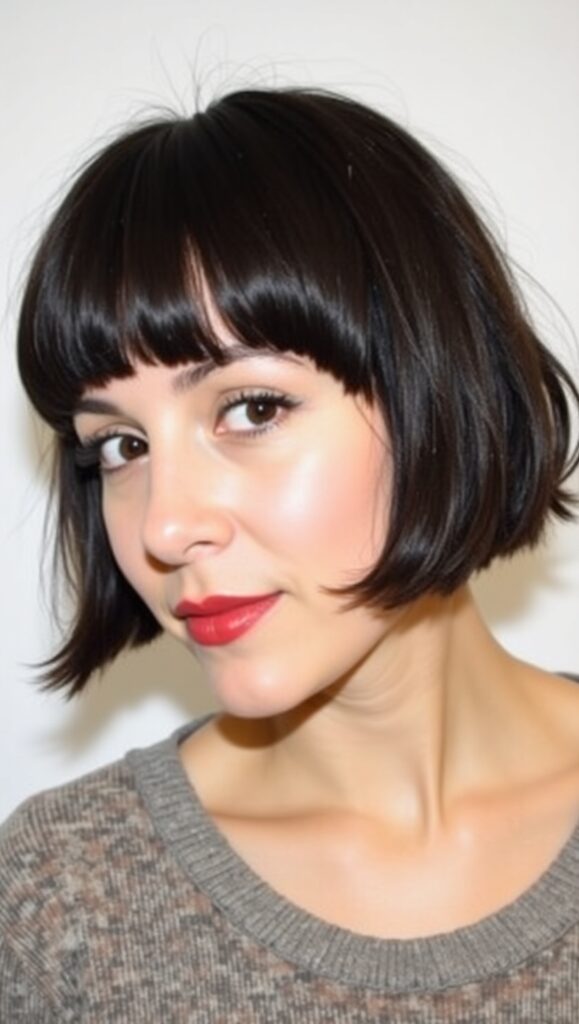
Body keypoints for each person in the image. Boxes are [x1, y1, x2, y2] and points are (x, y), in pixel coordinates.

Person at [1, 86, 578, 1021]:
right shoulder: (63, 897)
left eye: (253, 408)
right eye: (121, 446)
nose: (162, 528)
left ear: (435, 384)